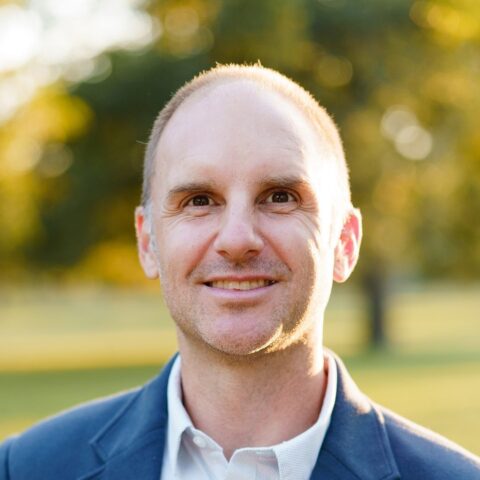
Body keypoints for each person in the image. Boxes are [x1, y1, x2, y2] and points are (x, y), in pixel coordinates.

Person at [1, 64, 479, 480]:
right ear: (148, 242)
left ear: (344, 242)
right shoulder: (25, 469)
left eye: (280, 197)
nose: (236, 239)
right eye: (199, 201)